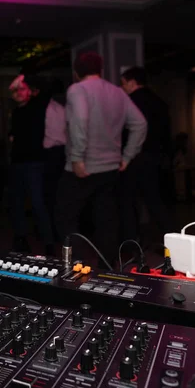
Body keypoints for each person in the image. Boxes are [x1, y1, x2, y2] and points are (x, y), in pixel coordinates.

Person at [54, 52, 147, 268]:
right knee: (106, 219)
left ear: (76, 72)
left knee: (64, 215)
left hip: (83, 168)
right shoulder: (117, 92)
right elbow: (140, 124)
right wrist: (126, 156)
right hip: (111, 168)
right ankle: (107, 267)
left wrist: (77, 158)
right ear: (101, 70)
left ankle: (75, 266)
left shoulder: (77, 89)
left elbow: (80, 120)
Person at [119, 67, 174, 242]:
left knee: (127, 200)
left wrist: (124, 156)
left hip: (135, 157)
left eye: (124, 83)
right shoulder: (159, 101)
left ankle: (132, 242)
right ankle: (175, 240)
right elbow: (166, 133)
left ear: (132, 82)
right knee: (154, 200)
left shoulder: (130, 102)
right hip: (156, 157)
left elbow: (127, 132)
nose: (122, 87)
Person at [8, 74, 54, 253]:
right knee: (17, 204)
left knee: (37, 204)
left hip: (34, 163)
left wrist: (22, 77)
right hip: (17, 164)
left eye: (22, 89)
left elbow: (47, 87)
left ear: (31, 92)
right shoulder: (16, 111)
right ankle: (20, 239)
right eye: (15, 91)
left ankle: (49, 244)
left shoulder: (38, 105)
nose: (18, 93)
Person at [43, 78, 67, 242]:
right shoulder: (63, 108)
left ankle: (53, 233)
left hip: (52, 154)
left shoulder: (47, 108)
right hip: (62, 153)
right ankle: (57, 233)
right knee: (59, 194)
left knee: (51, 195)